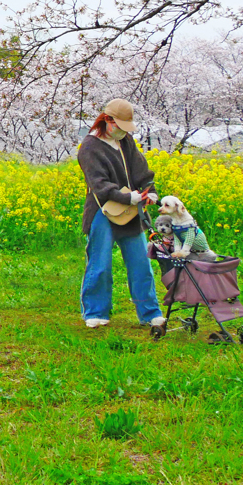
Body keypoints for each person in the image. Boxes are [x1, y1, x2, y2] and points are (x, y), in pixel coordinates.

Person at [76, 99, 166, 330]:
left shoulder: (125, 141)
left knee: (140, 263)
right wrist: (128, 197)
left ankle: (150, 313)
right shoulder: (89, 147)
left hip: (130, 212)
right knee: (100, 263)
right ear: (107, 120)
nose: (123, 131)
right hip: (102, 211)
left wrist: (150, 192)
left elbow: (141, 170)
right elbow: (99, 184)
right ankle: (95, 312)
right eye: (120, 126)